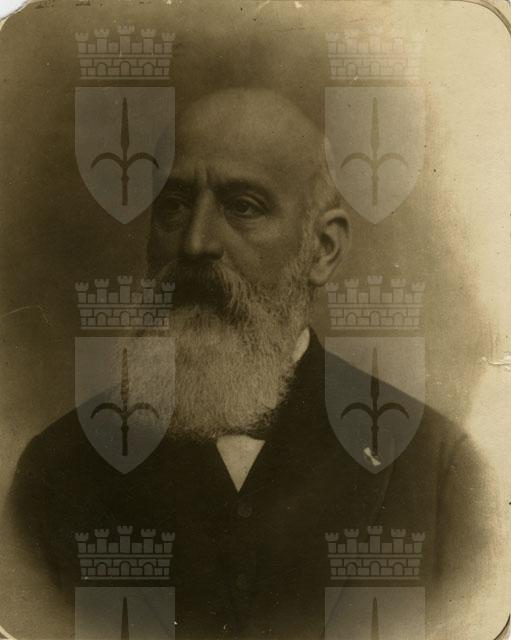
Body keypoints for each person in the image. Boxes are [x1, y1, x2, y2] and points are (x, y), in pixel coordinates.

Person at [1, 88, 505, 640]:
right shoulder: (57, 471)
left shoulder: (438, 471)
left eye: (243, 207)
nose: (195, 243)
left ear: (323, 250)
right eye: (173, 206)